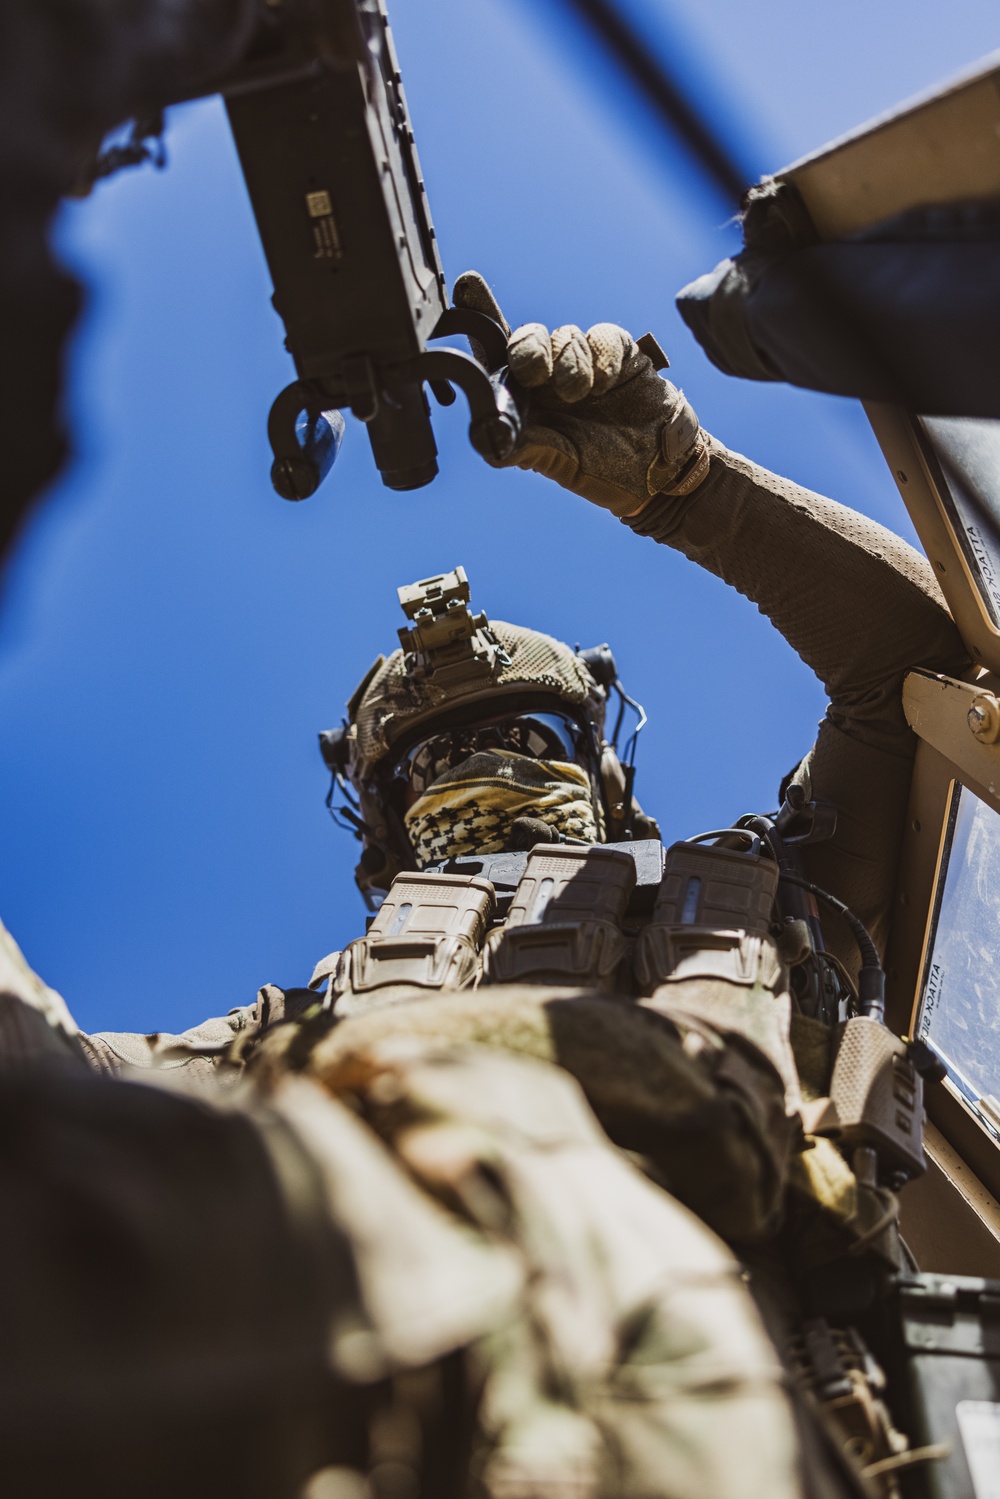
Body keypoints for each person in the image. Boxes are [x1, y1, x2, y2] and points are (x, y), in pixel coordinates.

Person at [68, 274, 970, 1496]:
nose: (479, 767)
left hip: (756, 1404)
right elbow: (55, 1081)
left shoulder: (774, 895)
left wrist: (687, 483)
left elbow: (908, 671)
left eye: (523, 737)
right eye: (432, 758)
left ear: (607, 773)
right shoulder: (286, 1028)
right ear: (383, 838)